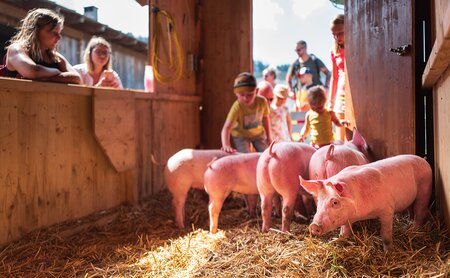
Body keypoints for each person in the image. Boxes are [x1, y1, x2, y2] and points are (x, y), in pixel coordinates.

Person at [0, 8, 81, 84]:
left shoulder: (56, 57)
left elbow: (77, 78)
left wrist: (48, 79)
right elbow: (33, 71)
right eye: (54, 33)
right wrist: (57, 72)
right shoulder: (15, 49)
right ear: (36, 31)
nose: (59, 38)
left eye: (59, 33)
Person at [221, 72, 272, 153]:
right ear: (236, 94)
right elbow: (226, 128)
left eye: (250, 95)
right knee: (245, 156)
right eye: (242, 95)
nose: (245, 98)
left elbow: (266, 119)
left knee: (265, 153)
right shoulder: (237, 107)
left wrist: (269, 137)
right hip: (241, 135)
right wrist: (226, 145)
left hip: (258, 134)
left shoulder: (262, 102)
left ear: (257, 91)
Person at [328, 14, 346, 142]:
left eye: (340, 33)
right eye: (334, 34)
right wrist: (331, 103)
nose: (337, 37)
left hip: (355, 96)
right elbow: (334, 78)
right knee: (341, 138)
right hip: (341, 96)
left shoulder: (356, 48)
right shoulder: (334, 51)